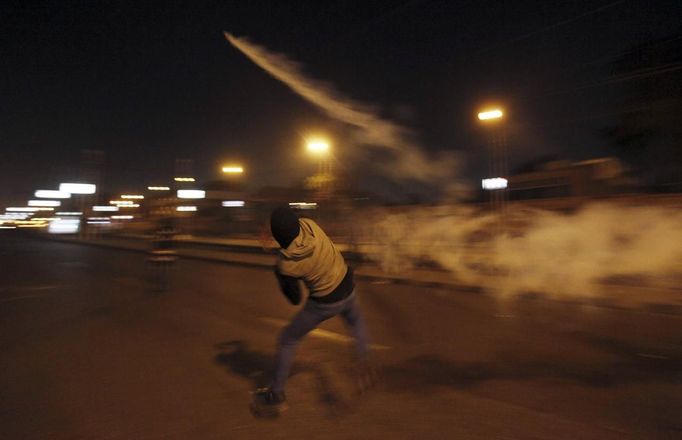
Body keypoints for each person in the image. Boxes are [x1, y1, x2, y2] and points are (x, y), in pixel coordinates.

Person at [253, 206, 371, 411]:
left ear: (278, 237)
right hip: (347, 285)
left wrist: (278, 269)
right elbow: (296, 241)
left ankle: (277, 396)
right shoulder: (310, 225)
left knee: (287, 340)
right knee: (356, 321)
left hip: (325, 302)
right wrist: (278, 247)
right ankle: (364, 362)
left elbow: (295, 298)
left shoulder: (286, 265)